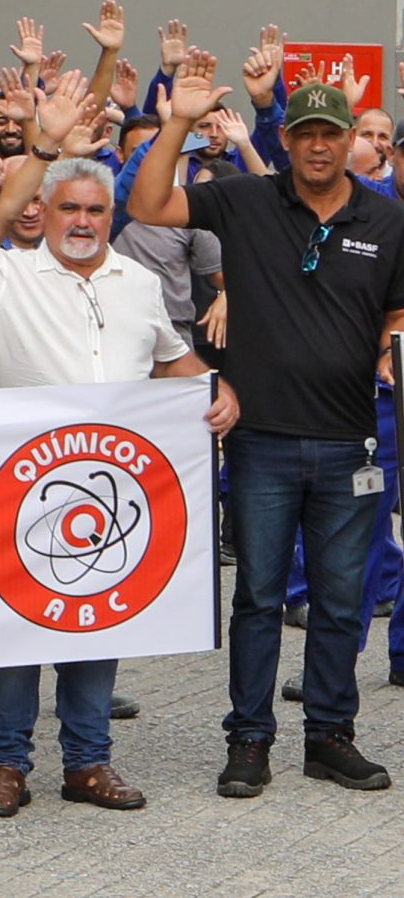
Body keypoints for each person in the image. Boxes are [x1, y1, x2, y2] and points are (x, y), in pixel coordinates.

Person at [0, 151, 237, 817]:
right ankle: (7, 765)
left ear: (112, 214)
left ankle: (87, 763)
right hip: (21, 491)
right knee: (15, 630)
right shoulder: (7, 273)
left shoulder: (139, 281)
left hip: (110, 487)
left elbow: (171, 357)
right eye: (69, 206)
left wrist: (215, 389)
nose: (84, 221)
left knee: (96, 624)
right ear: (46, 210)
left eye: (97, 209)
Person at [127, 63, 404, 799]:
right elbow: (149, 202)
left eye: (331, 134)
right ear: (286, 138)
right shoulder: (247, 198)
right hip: (262, 441)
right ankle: (249, 738)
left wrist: (388, 345)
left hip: (352, 439)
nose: (318, 146)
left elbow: (399, 309)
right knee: (256, 595)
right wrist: (178, 123)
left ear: (349, 142)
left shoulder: (386, 219)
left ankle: (329, 735)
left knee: (345, 599)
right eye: (306, 132)